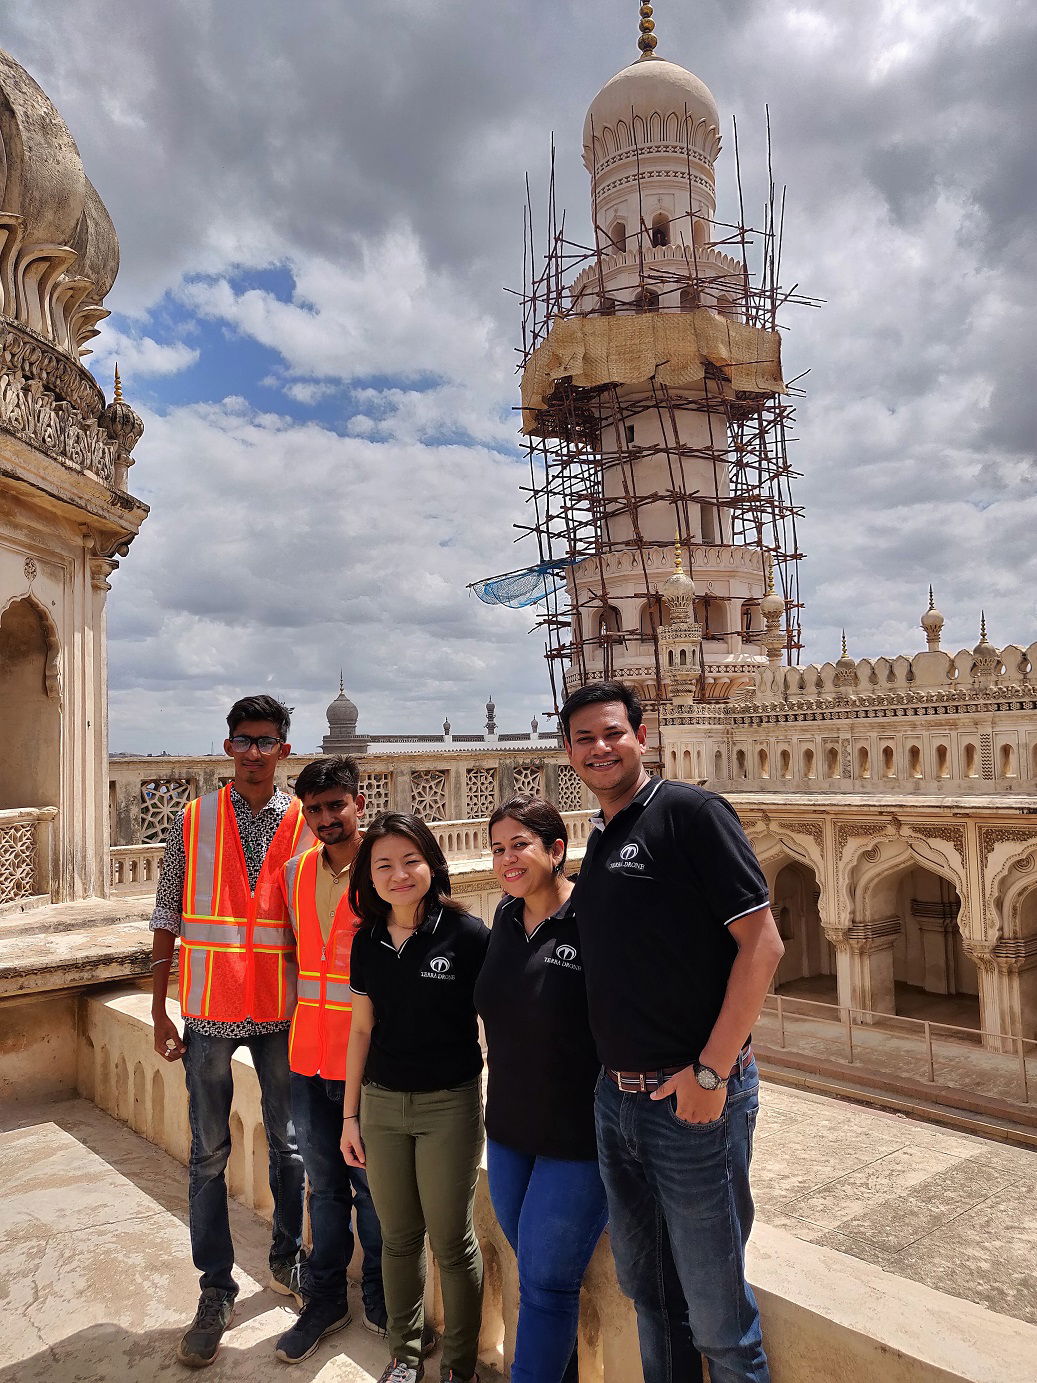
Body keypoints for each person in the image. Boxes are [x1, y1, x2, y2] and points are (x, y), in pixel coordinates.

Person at [560, 680, 784, 1383]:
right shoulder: (601, 834)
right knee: (651, 1297)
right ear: (567, 751)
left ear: (641, 735)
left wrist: (713, 1073)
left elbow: (763, 944)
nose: (599, 748)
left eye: (611, 733)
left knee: (718, 1320)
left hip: (692, 1104)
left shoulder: (689, 812)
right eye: (583, 738)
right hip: (618, 1100)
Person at [150, 694, 313, 1369]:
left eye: (265, 740)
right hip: (211, 1009)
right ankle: (214, 1288)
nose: (253, 752)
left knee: (290, 1146)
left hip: (281, 1010)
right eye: (242, 740)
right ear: (227, 747)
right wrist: (159, 1005)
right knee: (209, 1153)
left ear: (283, 749)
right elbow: (165, 910)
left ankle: (285, 1258)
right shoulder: (194, 819)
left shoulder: (305, 821)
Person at [340, 812, 489, 1383]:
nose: (399, 875)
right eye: (384, 865)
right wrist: (350, 1115)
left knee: (451, 1240)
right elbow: (360, 1030)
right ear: (369, 877)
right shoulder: (367, 941)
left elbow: (499, 1021)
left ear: (432, 864)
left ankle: (458, 1365)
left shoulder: (468, 935)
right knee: (398, 1238)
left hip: (448, 1104)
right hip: (381, 1106)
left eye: (410, 861)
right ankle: (404, 1357)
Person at [475, 794, 607, 1383]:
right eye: (498, 847)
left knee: (549, 1283)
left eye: (520, 845)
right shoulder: (505, 918)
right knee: (531, 1267)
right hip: (507, 1132)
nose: (507, 859)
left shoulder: (597, 918)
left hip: (577, 1137)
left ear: (557, 850)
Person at [273, 756, 388, 1364]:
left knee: (372, 1188)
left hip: (368, 1061)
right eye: (313, 809)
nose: (324, 819)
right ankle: (325, 1299)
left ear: (358, 803)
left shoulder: (386, 869)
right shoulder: (295, 873)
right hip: (308, 1054)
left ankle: (380, 1296)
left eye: (335, 806)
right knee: (324, 1187)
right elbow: (289, 956)